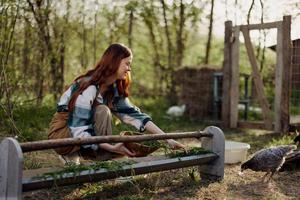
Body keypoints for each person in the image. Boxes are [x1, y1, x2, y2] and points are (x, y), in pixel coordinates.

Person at [51, 43, 185, 164]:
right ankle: (70, 153)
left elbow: (136, 116)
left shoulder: (113, 91)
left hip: (86, 136)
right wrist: (111, 147)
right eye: (127, 64)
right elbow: (79, 129)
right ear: (114, 62)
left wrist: (168, 139)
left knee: (125, 152)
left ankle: (98, 155)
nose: (129, 69)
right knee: (102, 110)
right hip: (64, 133)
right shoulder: (89, 86)